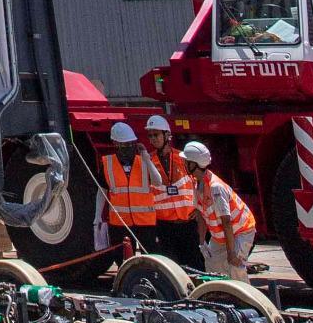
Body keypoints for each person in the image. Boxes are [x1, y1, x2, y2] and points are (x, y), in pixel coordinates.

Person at [180, 140, 258, 280]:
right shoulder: (197, 184)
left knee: (235, 267)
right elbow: (200, 215)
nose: (184, 164)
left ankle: (245, 300)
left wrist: (231, 253)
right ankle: (221, 295)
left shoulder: (216, 188)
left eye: (186, 162)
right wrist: (202, 243)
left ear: (194, 164)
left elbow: (226, 222)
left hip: (241, 231)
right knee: (212, 266)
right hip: (222, 235)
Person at [98, 122, 166, 256]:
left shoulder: (143, 161)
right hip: (120, 223)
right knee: (122, 259)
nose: (128, 148)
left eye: (130, 144)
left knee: (151, 258)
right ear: (115, 144)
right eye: (124, 144)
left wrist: (146, 158)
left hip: (145, 222)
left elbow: (158, 182)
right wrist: (97, 217)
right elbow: (102, 192)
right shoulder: (107, 163)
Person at [144, 115, 200, 265]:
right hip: (164, 225)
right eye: (150, 136)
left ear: (167, 135)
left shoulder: (183, 158)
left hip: (187, 223)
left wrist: (199, 206)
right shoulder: (148, 161)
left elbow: (198, 183)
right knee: (172, 269)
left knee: (195, 264)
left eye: (156, 135)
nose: (153, 139)